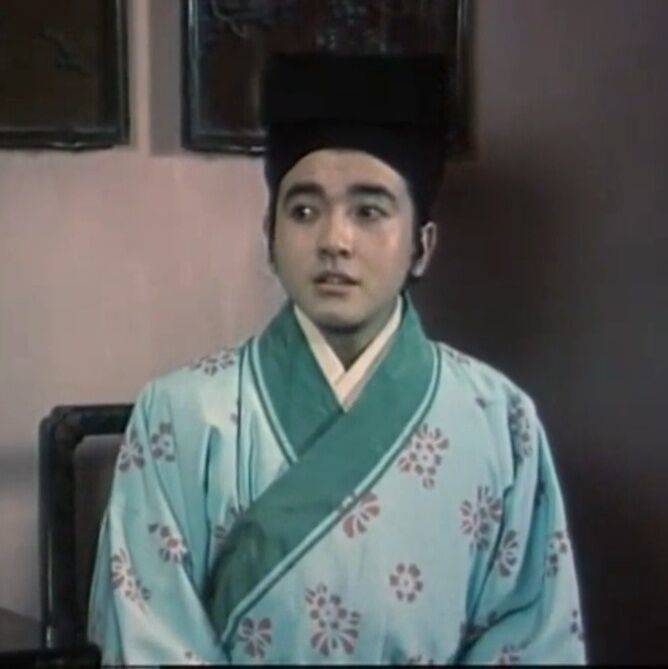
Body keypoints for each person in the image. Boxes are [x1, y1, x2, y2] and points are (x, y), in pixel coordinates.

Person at [87, 53, 586, 665]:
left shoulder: (500, 421)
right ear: (269, 237)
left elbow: (531, 636)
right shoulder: (179, 413)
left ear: (422, 246)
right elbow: (148, 634)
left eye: (368, 211)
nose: (334, 241)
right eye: (304, 211)